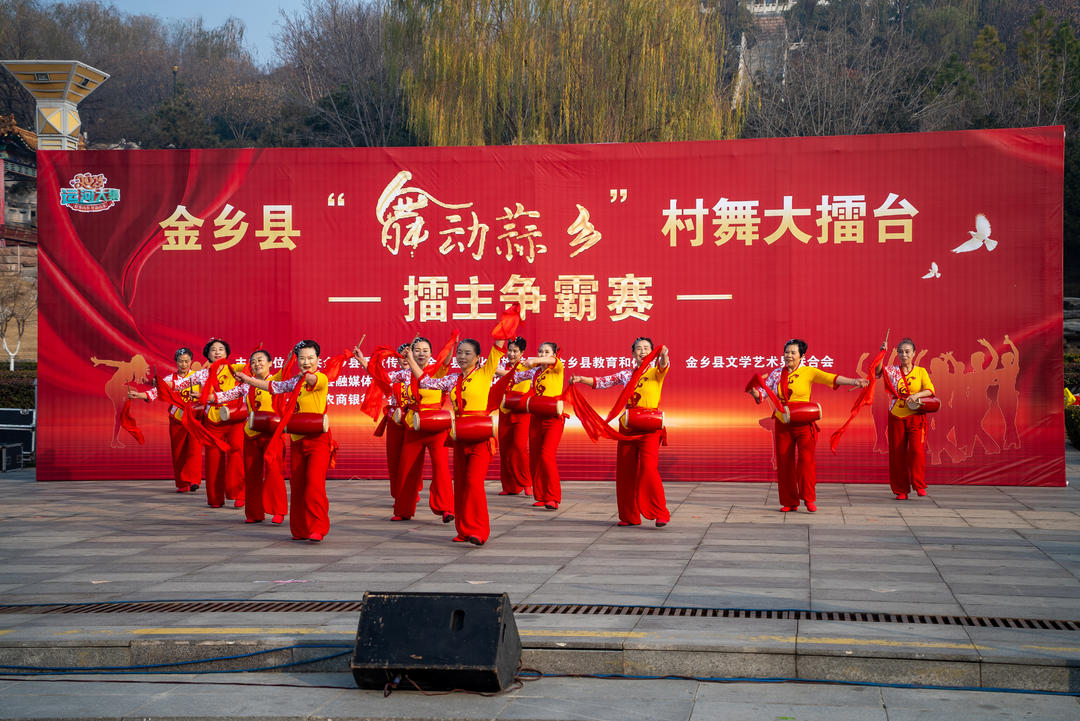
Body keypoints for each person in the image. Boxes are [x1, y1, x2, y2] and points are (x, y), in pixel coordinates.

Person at [748, 338, 867, 512]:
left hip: (804, 422)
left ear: (802, 356)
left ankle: (809, 498)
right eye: (786, 352)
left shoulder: (809, 372)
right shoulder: (776, 374)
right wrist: (754, 392)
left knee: (806, 461)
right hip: (784, 422)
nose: (788, 355)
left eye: (793, 352)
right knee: (784, 462)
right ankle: (790, 501)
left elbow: (831, 378)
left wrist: (854, 381)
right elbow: (762, 395)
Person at [410, 336, 507, 545]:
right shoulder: (453, 379)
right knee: (461, 484)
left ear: (478, 357)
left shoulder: (485, 372)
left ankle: (479, 530)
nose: (462, 357)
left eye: (467, 353)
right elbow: (427, 382)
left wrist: (505, 327)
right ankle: (463, 530)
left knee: (474, 482)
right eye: (460, 353)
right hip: (461, 434)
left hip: (480, 435)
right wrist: (410, 359)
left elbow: (499, 345)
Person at [570, 337, 671, 527]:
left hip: (649, 426)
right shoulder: (626, 374)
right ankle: (629, 516)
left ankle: (660, 512)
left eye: (646, 348)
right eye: (638, 349)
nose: (642, 352)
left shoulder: (656, 371)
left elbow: (664, 363)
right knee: (626, 471)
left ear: (652, 353)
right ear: (632, 353)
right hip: (628, 425)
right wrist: (581, 379)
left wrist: (663, 353)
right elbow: (602, 381)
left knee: (648, 468)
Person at [238, 340, 331, 542]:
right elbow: (273, 386)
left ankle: (318, 527)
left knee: (314, 486)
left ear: (318, 359)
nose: (306, 362)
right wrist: (247, 379)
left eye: (310, 358)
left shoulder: (320, 378)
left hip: (318, 441)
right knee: (297, 487)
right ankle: (300, 530)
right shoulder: (295, 382)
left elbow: (311, 378)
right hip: (297, 440)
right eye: (302, 358)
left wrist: (304, 375)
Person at [209, 349, 287, 523]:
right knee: (252, 474)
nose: (257, 364)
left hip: (272, 434)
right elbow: (227, 395)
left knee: (274, 471)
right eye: (253, 362)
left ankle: (278, 511)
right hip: (251, 433)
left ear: (270, 363)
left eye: (260, 360)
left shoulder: (277, 381)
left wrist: (292, 357)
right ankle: (254, 513)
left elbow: (288, 369)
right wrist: (208, 397)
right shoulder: (246, 385)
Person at [171, 339, 245, 509]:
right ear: (207, 354)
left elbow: (256, 371)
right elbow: (179, 384)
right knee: (213, 459)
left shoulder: (236, 369)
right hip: (212, 420)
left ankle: (238, 494)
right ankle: (215, 498)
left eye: (221, 349)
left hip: (233, 419)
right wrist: (159, 386)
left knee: (236, 455)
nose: (217, 352)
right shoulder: (202, 374)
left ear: (227, 353)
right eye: (213, 349)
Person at [395, 337, 455, 523]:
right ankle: (403, 510)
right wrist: (362, 361)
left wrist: (452, 343)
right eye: (417, 350)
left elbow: (446, 360)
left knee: (441, 468)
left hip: (436, 426)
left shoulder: (438, 370)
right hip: (414, 425)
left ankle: (446, 508)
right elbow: (381, 378)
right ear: (411, 353)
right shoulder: (405, 374)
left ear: (431, 353)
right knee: (407, 468)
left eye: (425, 350)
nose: (421, 353)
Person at [127, 347, 202, 493]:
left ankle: (193, 480)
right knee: (178, 451)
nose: (184, 364)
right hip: (177, 419)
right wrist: (140, 395)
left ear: (192, 361)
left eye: (187, 361)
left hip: (195, 417)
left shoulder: (198, 376)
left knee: (194, 450)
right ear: (176, 362)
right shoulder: (169, 379)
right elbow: (156, 391)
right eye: (180, 361)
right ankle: (183, 484)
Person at [876, 338, 936, 500]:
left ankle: (919, 484)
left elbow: (930, 390)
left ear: (914, 353)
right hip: (896, 415)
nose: (904, 355)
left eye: (907, 352)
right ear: (897, 354)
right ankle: (901, 489)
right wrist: (882, 353)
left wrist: (916, 395)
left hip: (916, 415)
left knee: (917, 451)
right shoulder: (892, 370)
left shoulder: (921, 371)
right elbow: (877, 372)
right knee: (897, 453)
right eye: (901, 352)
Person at [518, 342, 564, 510]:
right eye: (540, 351)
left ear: (554, 354)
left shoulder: (557, 368)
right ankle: (542, 496)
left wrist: (534, 360)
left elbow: (551, 360)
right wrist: (492, 371)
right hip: (537, 417)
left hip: (553, 418)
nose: (542, 354)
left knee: (546, 455)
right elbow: (515, 376)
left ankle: (553, 497)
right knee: (536, 457)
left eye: (546, 352)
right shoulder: (535, 372)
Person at [495, 337, 533, 497]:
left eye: (515, 351)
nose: (511, 354)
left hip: (521, 412)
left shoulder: (527, 367)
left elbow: (515, 376)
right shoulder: (502, 366)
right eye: (509, 350)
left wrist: (495, 370)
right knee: (505, 449)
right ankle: (510, 486)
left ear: (522, 353)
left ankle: (527, 482)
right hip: (505, 411)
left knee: (519, 447)